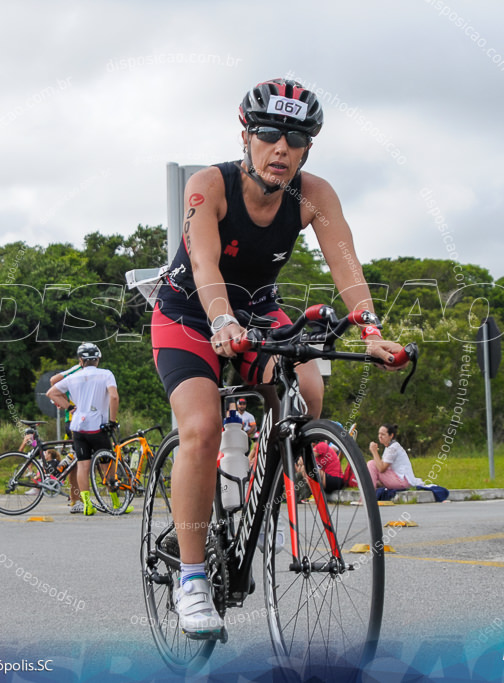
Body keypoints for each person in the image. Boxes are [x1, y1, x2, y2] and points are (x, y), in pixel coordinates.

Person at [148, 78, 406, 637]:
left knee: (308, 393)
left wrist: (369, 329)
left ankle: (258, 476)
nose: (281, 148)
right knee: (200, 425)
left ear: (309, 146)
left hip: (260, 312)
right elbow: (204, 266)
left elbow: (346, 264)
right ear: (246, 136)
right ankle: (193, 579)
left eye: (295, 137)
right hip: (190, 316)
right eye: (268, 134)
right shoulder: (208, 186)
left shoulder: (314, 193)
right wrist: (220, 321)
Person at [45, 343, 119, 516]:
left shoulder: (74, 376)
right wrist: (112, 421)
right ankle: (115, 502)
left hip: (77, 426)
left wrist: (70, 407)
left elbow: (51, 392)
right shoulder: (106, 374)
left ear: (81, 360)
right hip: (97, 427)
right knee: (108, 463)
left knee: (82, 465)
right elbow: (114, 396)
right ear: (98, 359)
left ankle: (86, 504)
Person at [367, 423, 422, 492]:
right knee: (372, 466)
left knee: (371, 464)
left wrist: (374, 451)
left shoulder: (393, 448)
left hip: (402, 481)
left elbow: (381, 469)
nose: (380, 436)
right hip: (399, 479)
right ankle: (370, 488)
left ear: (391, 435)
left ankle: (369, 493)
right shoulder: (389, 447)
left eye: (383, 434)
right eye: (379, 434)